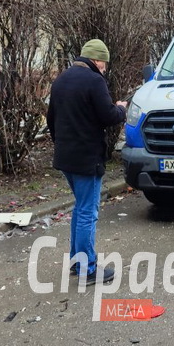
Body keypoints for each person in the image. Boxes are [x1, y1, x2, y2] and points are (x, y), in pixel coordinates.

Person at [46, 39, 127, 285]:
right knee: (87, 212)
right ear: (97, 60)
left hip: (65, 157)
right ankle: (87, 268)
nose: (104, 68)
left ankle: (77, 261)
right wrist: (121, 109)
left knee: (80, 208)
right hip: (87, 158)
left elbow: (52, 119)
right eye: (104, 63)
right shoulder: (94, 81)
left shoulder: (60, 81)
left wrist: (62, 144)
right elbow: (108, 116)